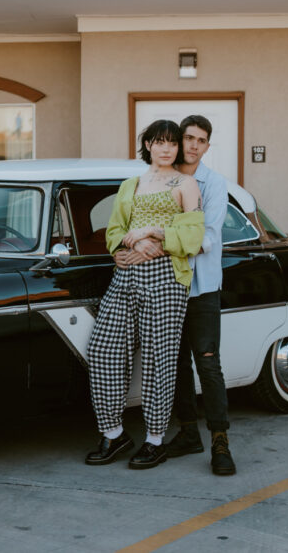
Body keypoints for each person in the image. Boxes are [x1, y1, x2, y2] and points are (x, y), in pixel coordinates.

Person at [85, 120, 205, 470]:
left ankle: (155, 440)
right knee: (104, 349)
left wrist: (155, 238)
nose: (166, 149)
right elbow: (115, 229)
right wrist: (118, 250)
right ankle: (113, 432)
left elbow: (193, 235)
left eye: (172, 143)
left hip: (166, 278)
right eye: (159, 142)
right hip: (124, 275)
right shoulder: (130, 184)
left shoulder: (186, 183)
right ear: (148, 145)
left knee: (159, 358)